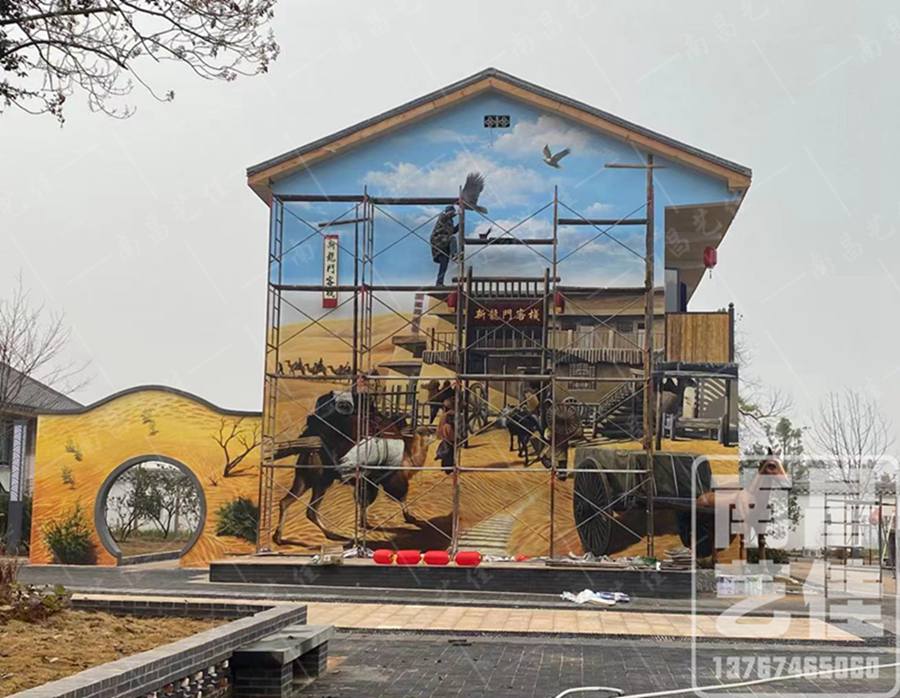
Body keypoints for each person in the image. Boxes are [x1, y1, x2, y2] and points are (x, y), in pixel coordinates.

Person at [430, 205, 459, 285]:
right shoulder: (442, 217)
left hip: (444, 243)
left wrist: (460, 224)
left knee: (444, 264)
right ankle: (454, 254)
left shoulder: (450, 221)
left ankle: (439, 282)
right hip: (439, 240)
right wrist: (458, 213)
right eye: (452, 212)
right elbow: (447, 215)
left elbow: (452, 231)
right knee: (452, 238)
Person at [435, 398, 456, 473]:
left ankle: (445, 466)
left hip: (447, 435)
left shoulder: (445, 415)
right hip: (448, 435)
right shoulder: (448, 416)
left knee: (448, 450)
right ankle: (447, 467)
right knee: (449, 451)